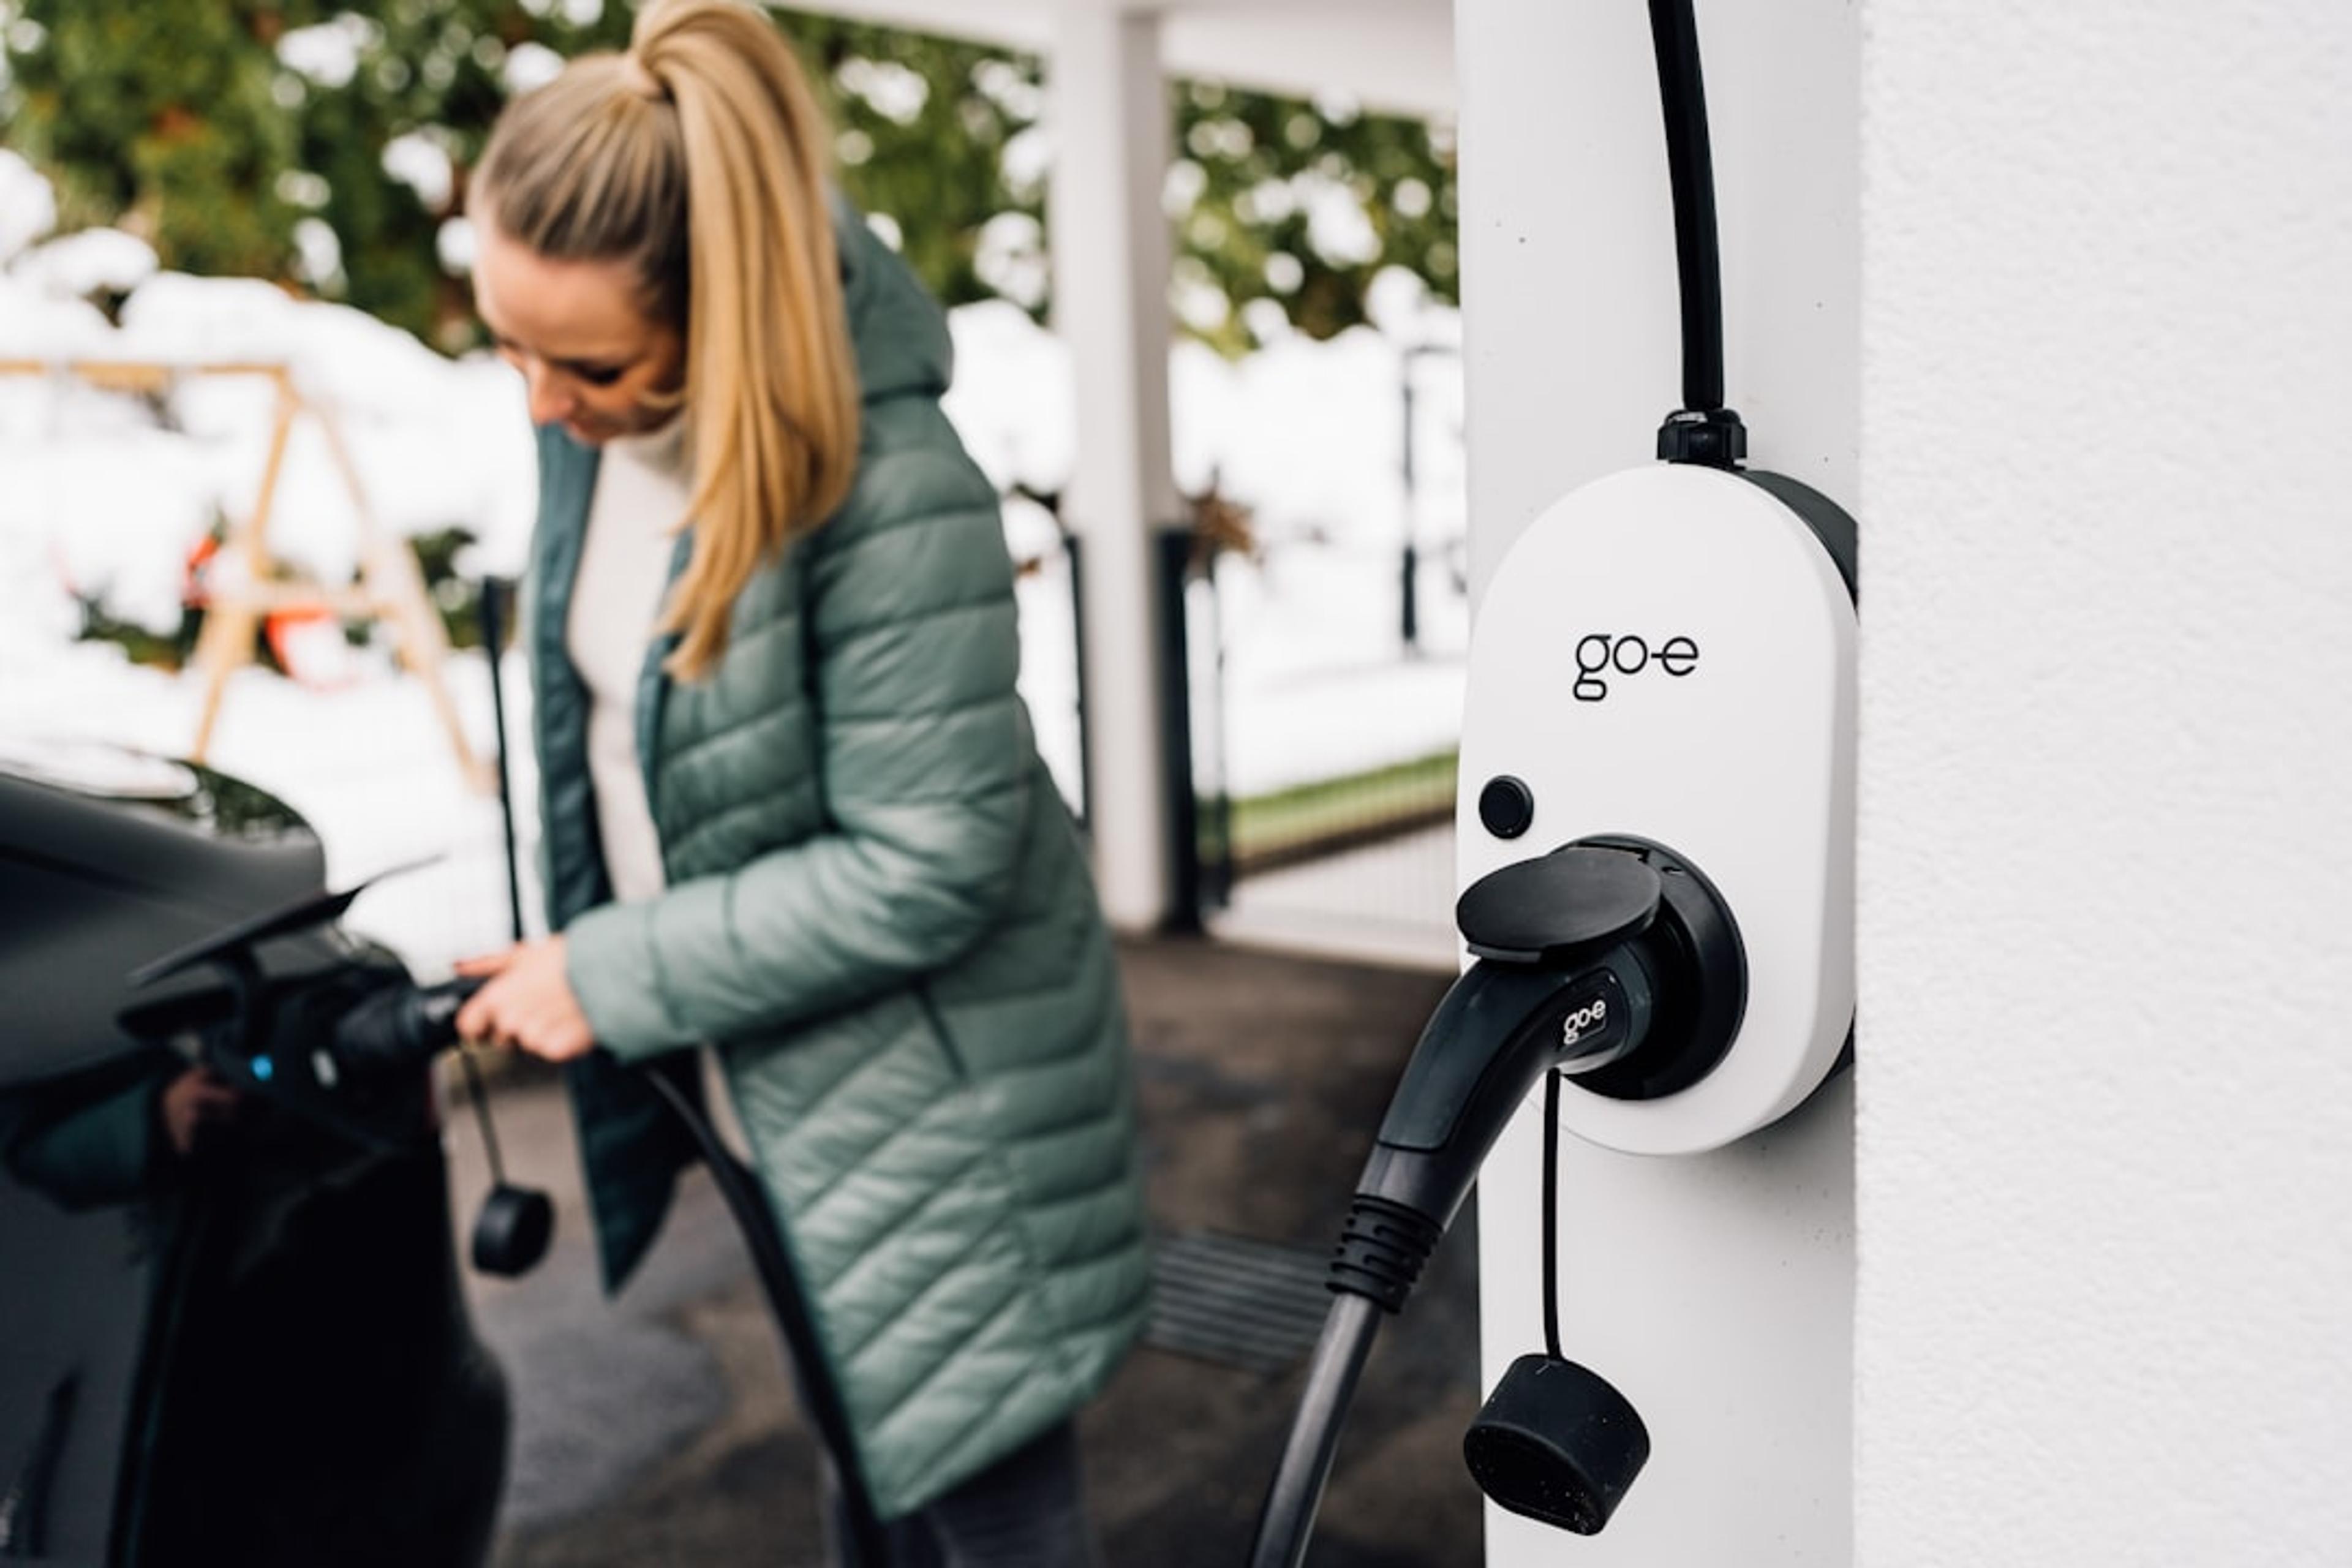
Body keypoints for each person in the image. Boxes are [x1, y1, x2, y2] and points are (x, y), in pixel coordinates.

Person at [450, 1, 1151, 1562]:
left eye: (587, 361)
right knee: (862, 1473)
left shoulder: (893, 484)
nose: (542, 400)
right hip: (767, 1065)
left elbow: (932, 860)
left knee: (990, 1518)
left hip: (944, 1094)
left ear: (722, 309)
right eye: (508, 343)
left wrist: (612, 967)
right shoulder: (590, 435)